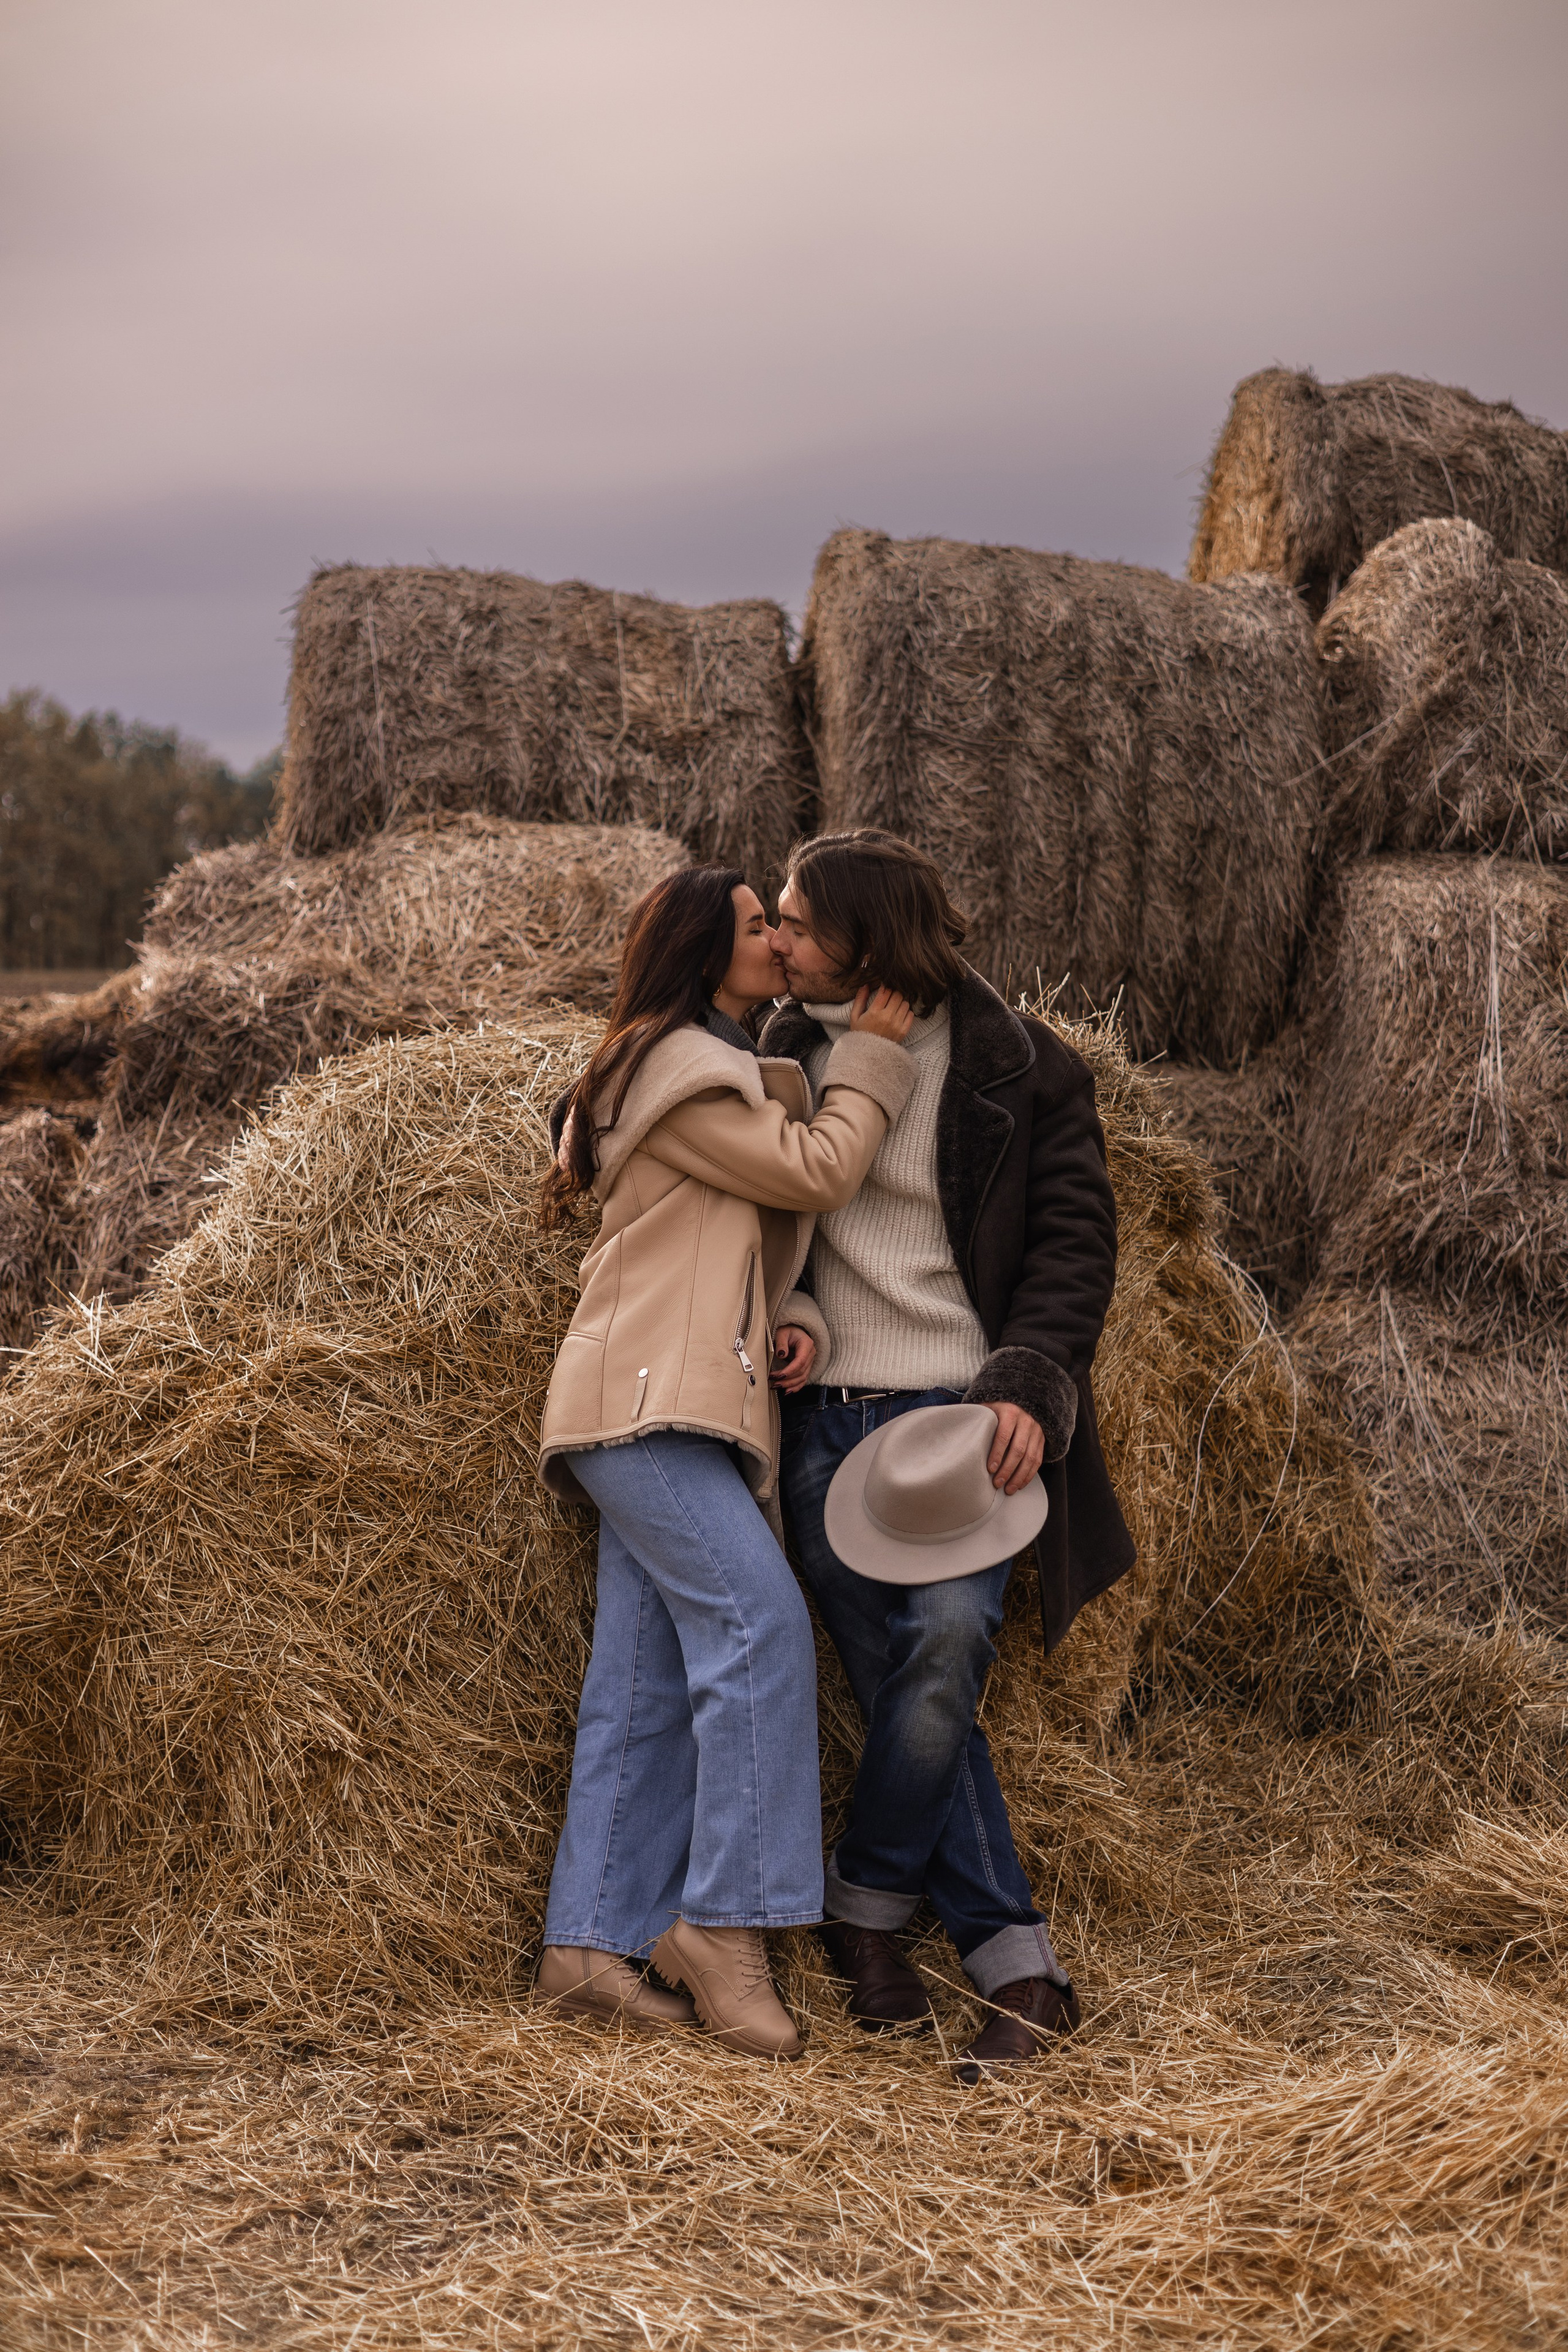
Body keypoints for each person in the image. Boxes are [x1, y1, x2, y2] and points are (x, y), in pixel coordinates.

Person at [763, 828, 1136, 2082]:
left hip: (960, 1419)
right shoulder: (780, 1055)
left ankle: (867, 1908)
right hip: (825, 1423)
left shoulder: (1020, 1067)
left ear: (866, 940)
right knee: (898, 1670)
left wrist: (1028, 1382)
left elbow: (1073, 1248)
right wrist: (795, 1320)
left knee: (944, 1647)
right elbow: (748, 1219)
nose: (780, 942)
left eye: (800, 925)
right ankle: (1019, 1973)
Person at [533, 862, 915, 2059]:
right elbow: (815, 1169)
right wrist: (875, 1060)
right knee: (758, 1628)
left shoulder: (697, 1073)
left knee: (642, 1683)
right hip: (642, 1404)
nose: (778, 943)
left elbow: (726, 1232)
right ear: (707, 949)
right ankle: (723, 1928)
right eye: (759, 927)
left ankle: (587, 1949)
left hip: (669, 1396)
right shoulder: (681, 1068)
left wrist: (788, 1306)